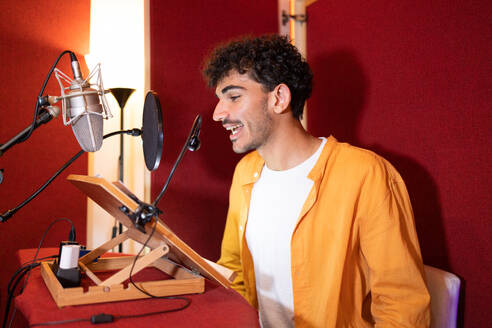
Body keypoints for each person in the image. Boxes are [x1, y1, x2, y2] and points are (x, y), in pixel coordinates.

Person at [203, 35, 430, 328]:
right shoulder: (245, 173)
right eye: (219, 100)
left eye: (233, 97)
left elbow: (402, 307)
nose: (218, 113)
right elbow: (233, 272)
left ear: (279, 98)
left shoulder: (366, 174)